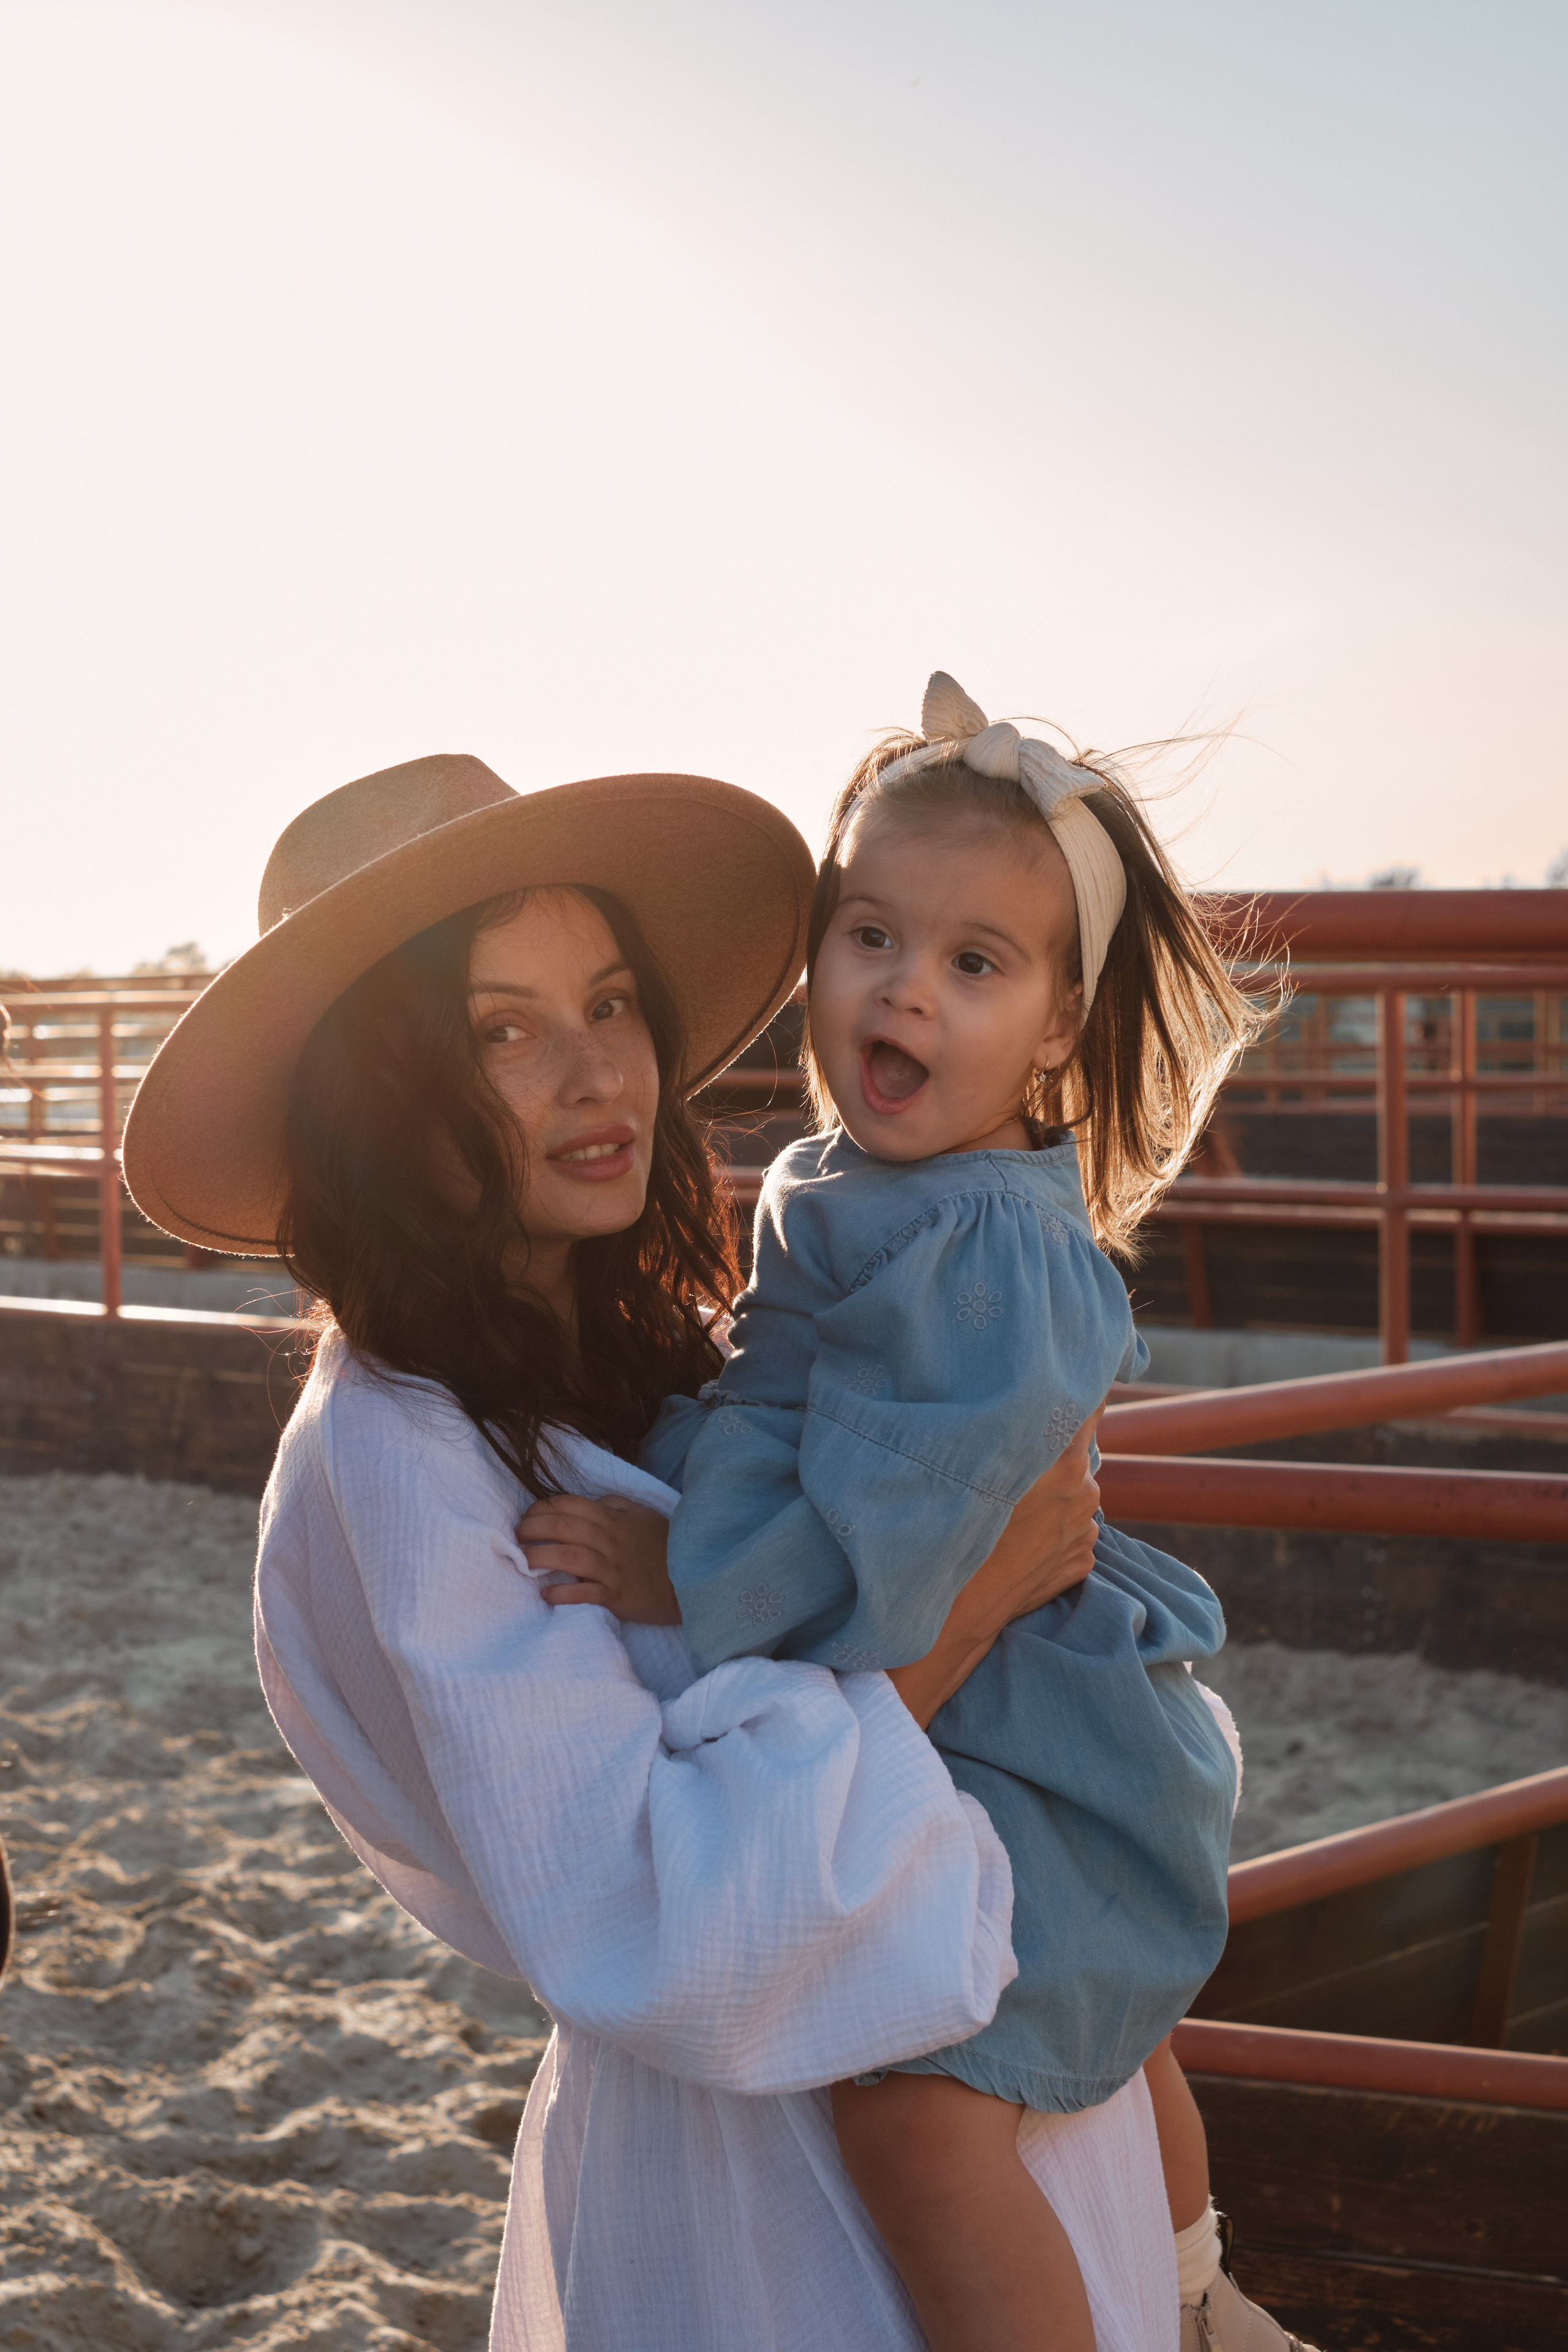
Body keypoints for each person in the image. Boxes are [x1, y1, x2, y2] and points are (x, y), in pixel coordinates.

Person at [121, 752, 1197, 2351]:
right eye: (502, 1030)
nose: (595, 1073)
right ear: (377, 1088)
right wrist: (965, 1611)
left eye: (611, 1004)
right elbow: (663, 1913)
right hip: (775, 2207)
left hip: (996, 2085)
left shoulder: (674, 1349)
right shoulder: (395, 1455)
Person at [523, 676, 1313, 2352]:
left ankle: (1182, 2301)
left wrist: (684, 1566)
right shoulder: (865, 1183)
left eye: (975, 963)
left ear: (1058, 1027)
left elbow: (896, 1543)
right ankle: (1195, 2289)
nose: (904, 989)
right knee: (1114, 2016)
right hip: (1003, 1702)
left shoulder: (983, 1244)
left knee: (913, 2115)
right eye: (870, 935)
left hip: (1031, 1742)